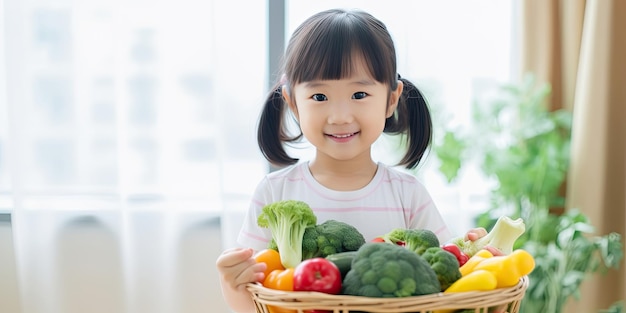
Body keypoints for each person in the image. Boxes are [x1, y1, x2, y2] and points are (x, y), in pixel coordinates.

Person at [216, 8, 488, 313]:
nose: (340, 116)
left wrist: (476, 252)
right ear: (292, 102)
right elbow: (254, 299)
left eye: (359, 94)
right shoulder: (273, 193)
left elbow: (447, 280)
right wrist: (232, 283)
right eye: (319, 97)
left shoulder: (408, 194)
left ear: (392, 100)